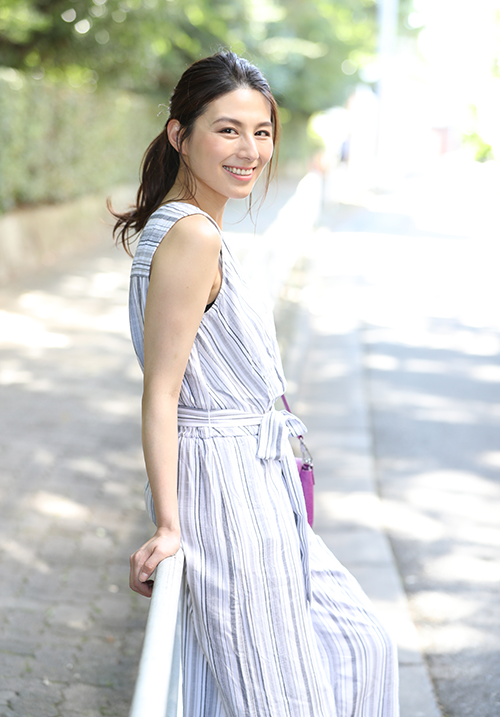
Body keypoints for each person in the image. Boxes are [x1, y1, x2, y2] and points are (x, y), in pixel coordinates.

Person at [112, 50, 399, 717]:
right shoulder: (191, 235)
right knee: (277, 695)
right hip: (226, 486)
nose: (250, 150)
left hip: (259, 476)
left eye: (262, 132)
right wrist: (169, 524)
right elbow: (162, 393)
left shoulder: (192, 226)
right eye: (228, 130)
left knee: (361, 644)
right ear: (180, 135)